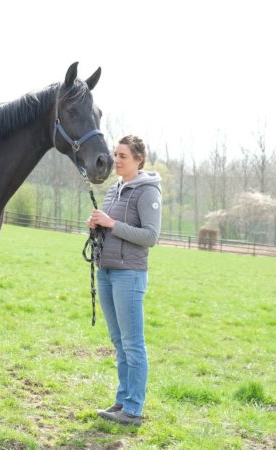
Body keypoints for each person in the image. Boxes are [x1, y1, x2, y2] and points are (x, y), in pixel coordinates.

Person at [87, 135, 162, 426]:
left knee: (133, 343)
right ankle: (122, 400)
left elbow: (150, 237)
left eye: (123, 156)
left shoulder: (147, 193)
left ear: (138, 160)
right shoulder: (113, 190)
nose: (116, 160)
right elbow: (108, 227)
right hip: (105, 271)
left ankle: (134, 409)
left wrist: (111, 224)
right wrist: (95, 225)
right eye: (115, 154)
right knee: (119, 342)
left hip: (129, 274)